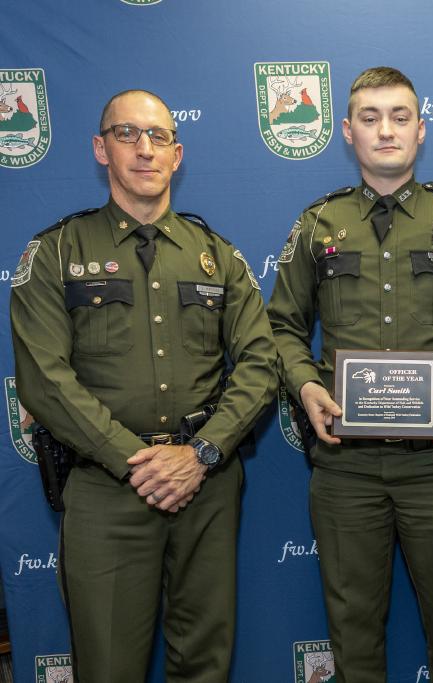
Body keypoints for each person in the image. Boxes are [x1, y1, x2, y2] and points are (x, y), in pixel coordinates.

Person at [267, 66, 433, 683]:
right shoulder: (318, 225)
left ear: (420, 130)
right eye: (370, 117)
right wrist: (306, 385)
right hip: (343, 468)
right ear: (347, 132)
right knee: (353, 642)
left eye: (400, 116)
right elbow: (279, 328)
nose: (385, 130)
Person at [9, 89, 278, 682]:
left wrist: (199, 454)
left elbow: (261, 366)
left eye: (157, 136)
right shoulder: (55, 253)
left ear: (177, 154)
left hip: (206, 486)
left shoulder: (219, 257)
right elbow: (44, 380)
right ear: (100, 149)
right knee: (107, 665)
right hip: (106, 491)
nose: (144, 148)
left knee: (205, 662)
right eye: (126, 134)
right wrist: (139, 463)